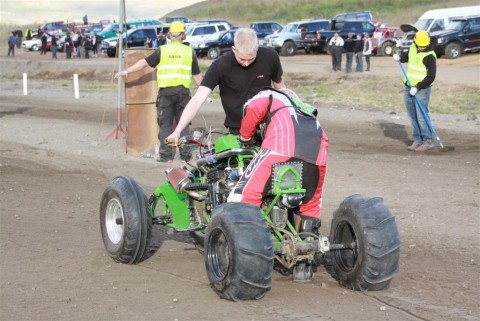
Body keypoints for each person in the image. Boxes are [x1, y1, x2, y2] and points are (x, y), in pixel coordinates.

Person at [228, 88, 328, 239]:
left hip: (281, 146)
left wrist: (245, 137)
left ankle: (248, 244)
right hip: (318, 154)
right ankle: (308, 245)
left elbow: (253, 107)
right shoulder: (304, 108)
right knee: (310, 205)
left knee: (242, 197)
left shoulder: (269, 95)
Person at [166, 27, 285, 144]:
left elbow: (281, 89)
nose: (246, 63)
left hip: (269, 127)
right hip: (237, 130)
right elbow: (197, 99)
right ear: (234, 49)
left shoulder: (270, 57)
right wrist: (177, 130)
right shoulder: (220, 66)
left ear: (257, 48)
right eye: (242, 59)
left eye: (251, 59)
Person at [114, 21, 203, 163]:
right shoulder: (189, 52)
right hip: (183, 94)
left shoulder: (162, 51)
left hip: (166, 94)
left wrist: (126, 71)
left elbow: (143, 63)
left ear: (169, 36)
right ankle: (185, 157)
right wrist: (204, 92)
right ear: (183, 36)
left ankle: (166, 156)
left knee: (165, 125)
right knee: (184, 124)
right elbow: (197, 76)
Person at [393, 30, 437, 152]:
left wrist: (418, 87)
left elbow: (431, 76)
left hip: (421, 89)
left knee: (421, 116)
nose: (422, 47)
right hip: (409, 87)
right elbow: (408, 58)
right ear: (415, 42)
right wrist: (400, 57)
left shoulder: (430, 55)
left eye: (424, 46)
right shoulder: (413, 47)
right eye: (420, 45)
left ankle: (428, 141)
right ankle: (417, 140)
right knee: (413, 116)